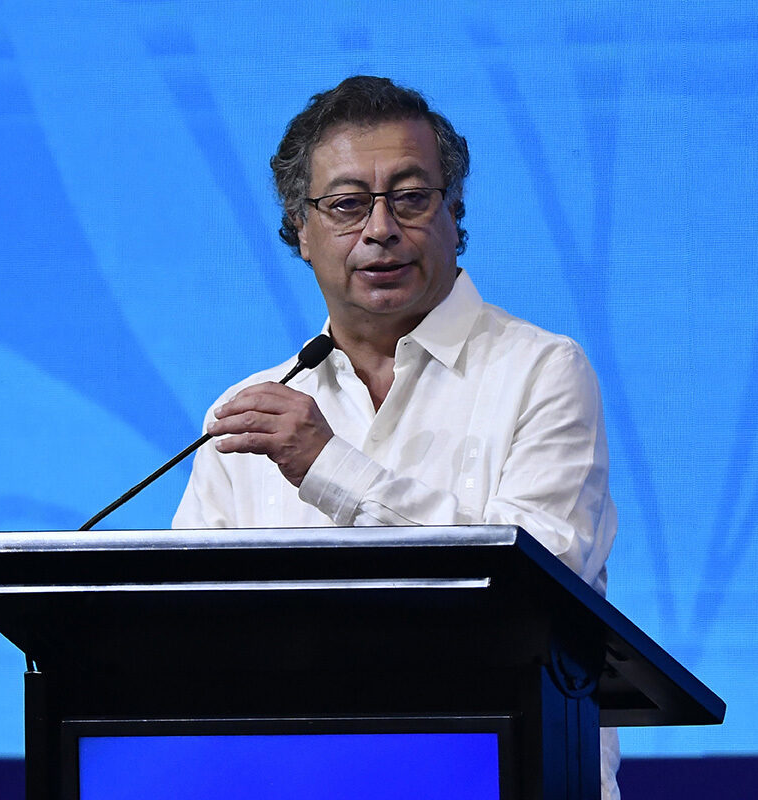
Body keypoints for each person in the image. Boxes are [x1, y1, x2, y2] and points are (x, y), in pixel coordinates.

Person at [173, 75, 620, 798]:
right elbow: (179, 636)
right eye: (347, 205)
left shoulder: (542, 372)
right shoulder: (250, 414)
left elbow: (540, 585)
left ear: (454, 213)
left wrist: (328, 466)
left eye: (410, 198)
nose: (380, 229)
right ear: (301, 230)